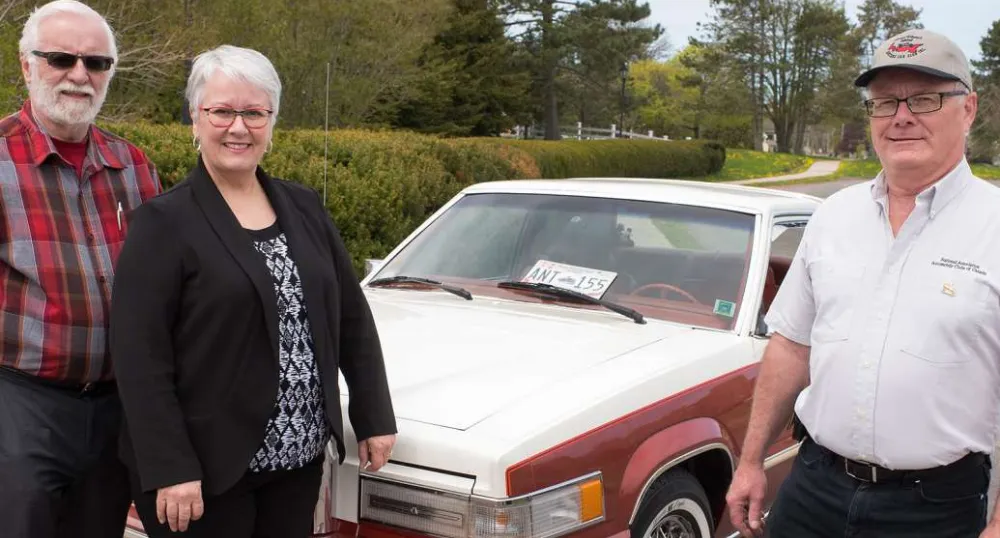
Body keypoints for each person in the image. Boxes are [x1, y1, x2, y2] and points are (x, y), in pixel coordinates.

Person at [109, 44, 397, 537]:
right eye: (221, 111)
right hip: (205, 473)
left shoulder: (304, 206)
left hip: (298, 461)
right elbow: (139, 358)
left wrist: (373, 413)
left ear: (272, 121)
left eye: (254, 113)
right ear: (195, 119)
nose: (238, 127)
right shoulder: (164, 222)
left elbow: (349, 315)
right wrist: (171, 467)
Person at [725, 28, 1000, 538]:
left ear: (969, 109)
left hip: (936, 508)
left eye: (924, 98)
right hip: (813, 487)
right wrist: (750, 461)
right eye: (884, 102)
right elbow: (790, 346)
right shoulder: (833, 217)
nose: (901, 116)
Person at [0, 2, 163, 537]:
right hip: (21, 408)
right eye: (61, 58)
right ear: (26, 65)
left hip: (116, 411)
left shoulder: (133, 166)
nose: (79, 74)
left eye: (96, 63)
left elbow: (162, 292)